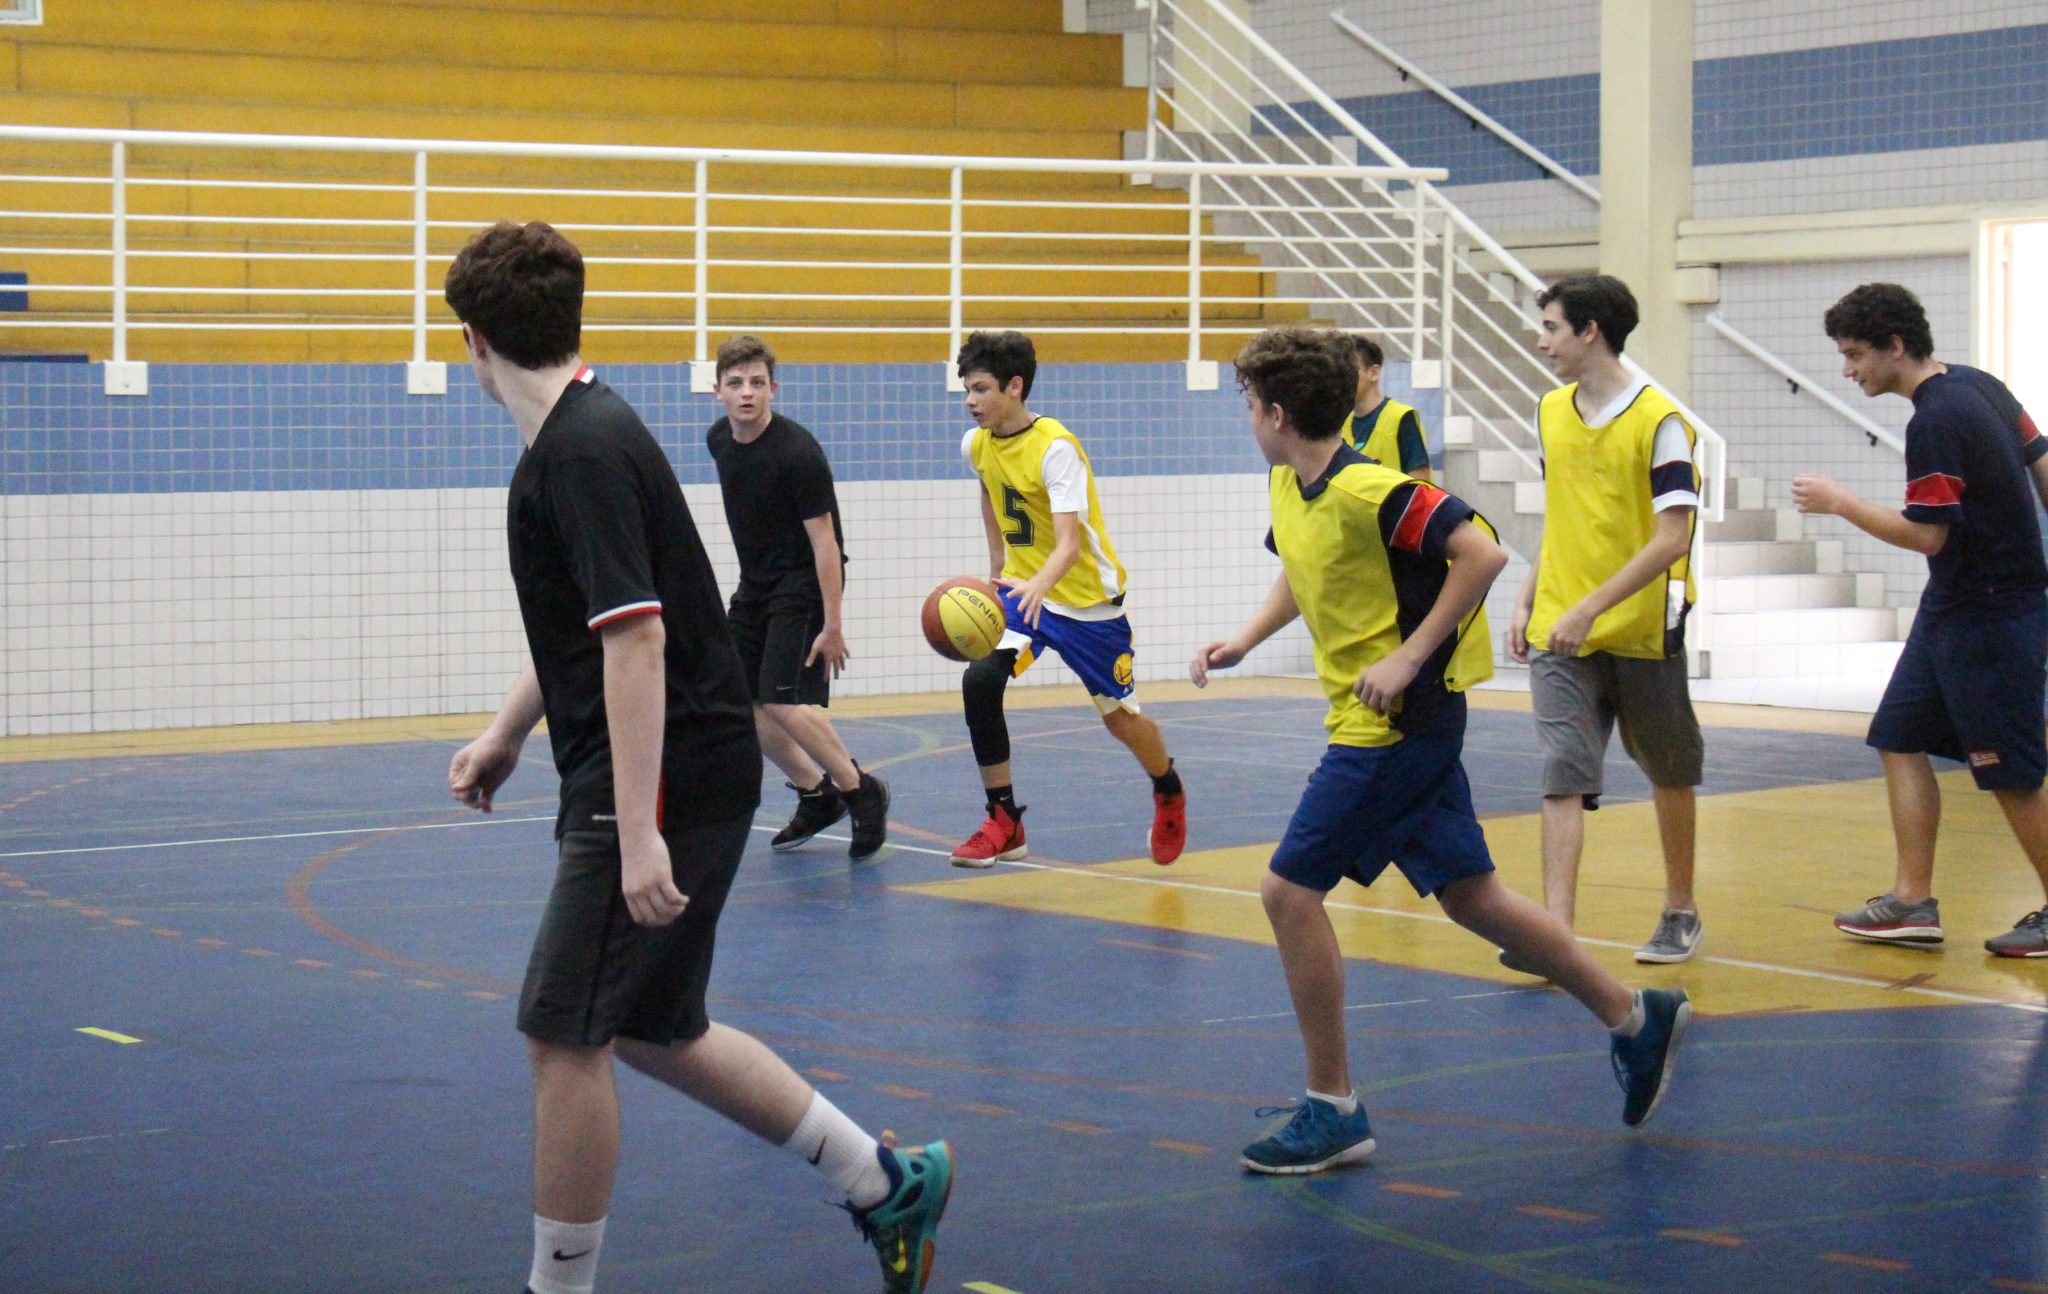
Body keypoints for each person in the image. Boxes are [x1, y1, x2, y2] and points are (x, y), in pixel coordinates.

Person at [440, 221, 951, 1294]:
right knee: (652, 1025)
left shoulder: (580, 453)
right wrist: (508, 729)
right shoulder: (580, 435)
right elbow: (596, 621)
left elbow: (637, 641)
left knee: (562, 1038)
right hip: (694, 760)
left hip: (663, 770)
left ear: (475, 340)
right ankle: (881, 1180)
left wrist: (636, 834)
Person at [1190, 325, 1689, 1173]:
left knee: (1288, 894)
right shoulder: (1289, 483)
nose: (1248, 418)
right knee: (1472, 896)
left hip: (1394, 725)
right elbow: (1301, 570)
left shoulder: (1376, 489)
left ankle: (1333, 1107)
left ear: (1275, 414)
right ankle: (1637, 1018)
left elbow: (1483, 554)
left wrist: (1410, 655)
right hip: (1379, 722)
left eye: (1249, 405)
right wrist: (1245, 638)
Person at [1795, 281, 2048, 958]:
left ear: (1895, 346)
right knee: (1900, 734)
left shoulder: (1934, 422)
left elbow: (1927, 535)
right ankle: (1911, 903)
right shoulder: (1982, 385)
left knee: (2009, 769)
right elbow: (2043, 464)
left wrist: (1841, 502)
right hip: (1955, 606)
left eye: (1855, 355)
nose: (1848, 371)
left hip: (1991, 613)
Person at [1505, 273, 1706, 966]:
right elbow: (1563, 513)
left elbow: (1672, 540)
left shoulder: (1662, 423)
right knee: (1562, 770)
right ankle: (1555, 934)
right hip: (1561, 628)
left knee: (1669, 769)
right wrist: (1530, 595)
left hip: (1641, 629)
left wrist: (1591, 607)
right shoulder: (1550, 411)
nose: (1542, 342)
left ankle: (1680, 910)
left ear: (1590, 331)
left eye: (1552, 328)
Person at [947, 329, 1188, 868]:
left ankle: (1168, 787)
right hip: (1025, 595)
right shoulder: (977, 444)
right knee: (980, 681)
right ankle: (1004, 820)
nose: (970, 400)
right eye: (967, 389)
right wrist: (998, 568)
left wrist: (1039, 584)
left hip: (1086, 605)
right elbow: (988, 489)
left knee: (1121, 721)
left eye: (981, 389)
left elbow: (1070, 544)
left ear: (1014, 387)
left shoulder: (1056, 448)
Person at [705, 333, 889, 861]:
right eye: (736, 383)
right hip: (755, 588)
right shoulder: (718, 440)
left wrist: (832, 624)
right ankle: (816, 794)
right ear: (718, 391)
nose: (746, 392)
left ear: (773, 389)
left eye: (757, 382)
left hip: (802, 586)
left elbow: (826, 543)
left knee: (782, 699)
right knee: (740, 699)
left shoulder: (797, 452)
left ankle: (860, 789)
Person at [1338, 334, 1431, 482]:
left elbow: (1420, 481)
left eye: (1351, 371)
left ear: (1373, 373)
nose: (1343, 379)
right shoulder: (1341, 424)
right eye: (1339, 373)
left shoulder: (1400, 418)